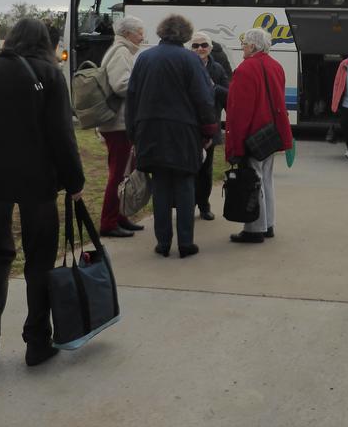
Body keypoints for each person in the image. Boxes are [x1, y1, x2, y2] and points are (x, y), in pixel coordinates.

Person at [0, 18, 85, 366]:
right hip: (37, 182)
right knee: (39, 260)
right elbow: (61, 135)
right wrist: (74, 181)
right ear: (45, 42)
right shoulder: (49, 75)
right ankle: (37, 340)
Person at [125, 14, 217, 259]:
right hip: (183, 132)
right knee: (186, 184)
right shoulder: (191, 60)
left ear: (162, 32)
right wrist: (209, 131)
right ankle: (186, 242)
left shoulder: (144, 58)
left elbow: (131, 97)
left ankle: (163, 242)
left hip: (149, 130)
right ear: (185, 35)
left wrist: (133, 133)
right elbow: (204, 99)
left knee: (161, 185)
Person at [224, 27, 293, 244]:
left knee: (253, 181)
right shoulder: (276, 66)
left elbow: (239, 112)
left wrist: (235, 143)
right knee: (266, 180)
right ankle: (268, 224)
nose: (242, 47)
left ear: (253, 46)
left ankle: (255, 229)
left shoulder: (246, 69)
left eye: (244, 43)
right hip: (270, 135)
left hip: (253, 135)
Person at [95, 16, 146, 238]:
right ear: (128, 34)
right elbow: (121, 84)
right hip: (118, 124)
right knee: (118, 174)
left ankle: (120, 216)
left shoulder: (122, 50)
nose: (142, 37)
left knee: (124, 172)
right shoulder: (121, 52)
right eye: (140, 32)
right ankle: (108, 222)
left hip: (120, 123)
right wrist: (144, 83)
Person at [190, 30, 230, 221]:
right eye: (196, 45)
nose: (200, 49)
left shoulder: (218, 69)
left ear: (211, 48)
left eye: (204, 45)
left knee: (206, 170)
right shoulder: (185, 66)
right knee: (189, 169)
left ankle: (204, 206)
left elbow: (229, 96)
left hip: (210, 125)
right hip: (188, 127)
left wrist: (214, 87)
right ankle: (187, 205)